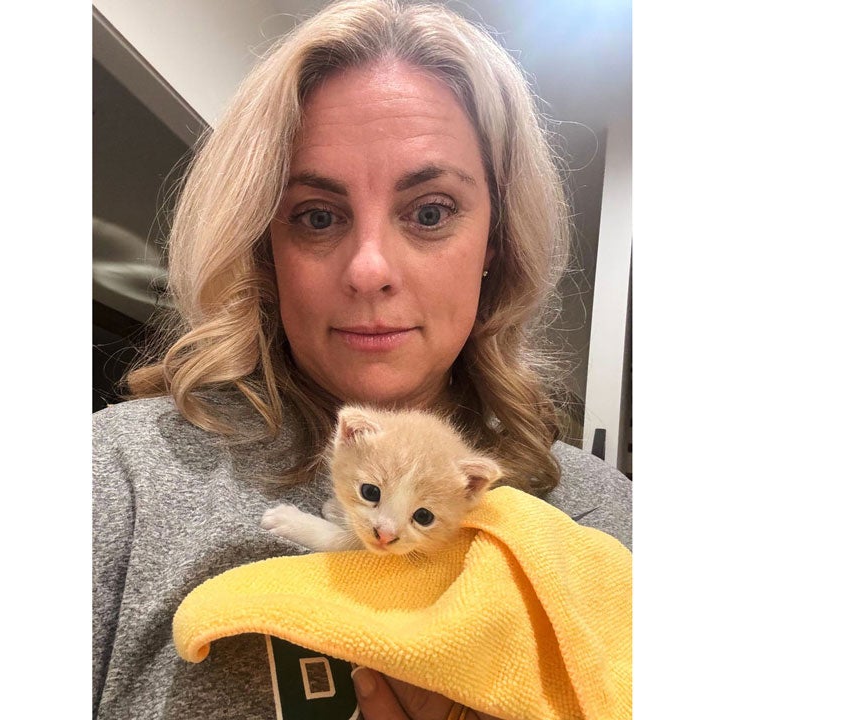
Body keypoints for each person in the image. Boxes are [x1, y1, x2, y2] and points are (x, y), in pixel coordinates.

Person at [92, 1, 632, 718]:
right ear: (265, 245)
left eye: (431, 211)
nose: (369, 269)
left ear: (494, 246)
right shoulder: (121, 478)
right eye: (318, 215)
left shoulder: (605, 523)